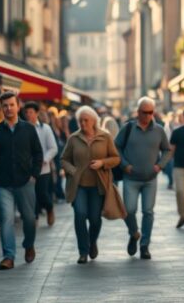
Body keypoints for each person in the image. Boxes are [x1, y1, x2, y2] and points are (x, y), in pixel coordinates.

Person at [0, 92, 43, 270]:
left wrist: (34, 174)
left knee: (30, 219)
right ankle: (8, 256)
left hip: (26, 181)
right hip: (3, 184)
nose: (8, 108)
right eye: (5, 105)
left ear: (18, 106)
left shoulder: (28, 129)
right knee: (6, 219)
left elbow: (38, 153)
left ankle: (29, 244)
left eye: (11, 105)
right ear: (1, 108)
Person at [61, 106, 120, 264]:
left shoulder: (105, 137)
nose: (82, 123)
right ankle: (83, 251)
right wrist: (72, 170)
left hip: (98, 186)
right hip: (79, 185)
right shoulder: (74, 138)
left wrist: (102, 162)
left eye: (86, 120)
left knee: (95, 219)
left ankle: (92, 241)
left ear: (94, 121)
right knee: (79, 214)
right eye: (80, 120)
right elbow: (64, 159)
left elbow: (116, 158)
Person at [114, 97, 172, 260]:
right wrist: (124, 164)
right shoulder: (128, 128)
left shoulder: (159, 130)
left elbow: (167, 150)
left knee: (148, 212)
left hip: (150, 179)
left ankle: (144, 245)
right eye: (144, 112)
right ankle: (134, 233)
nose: (148, 115)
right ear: (138, 112)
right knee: (128, 210)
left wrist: (160, 165)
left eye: (150, 112)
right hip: (130, 178)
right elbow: (115, 146)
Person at [22, 102, 58, 226]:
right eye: (26, 112)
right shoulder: (22, 128)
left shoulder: (45, 128)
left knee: (42, 193)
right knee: (31, 194)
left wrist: (45, 159)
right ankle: (35, 217)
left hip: (43, 168)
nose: (28, 115)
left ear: (37, 113)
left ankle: (49, 208)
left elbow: (53, 148)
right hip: (27, 169)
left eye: (31, 112)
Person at [49, 107, 68, 202]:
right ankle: (58, 194)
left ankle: (60, 193)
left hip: (61, 155)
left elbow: (65, 140)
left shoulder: (59, 128)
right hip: (55, 156)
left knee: (61, 175)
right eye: (50, 116)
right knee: (57, 175)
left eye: (53, 116)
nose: (52, 118)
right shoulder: (50, 128)